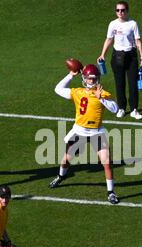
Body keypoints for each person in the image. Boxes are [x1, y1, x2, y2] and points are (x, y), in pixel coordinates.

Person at [50, 64, 120, 204]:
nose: (92, 81)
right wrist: (71, 75)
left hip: (97, 132)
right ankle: (60, 176)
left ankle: (111, 192)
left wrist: (101, 98)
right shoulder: (77, 92)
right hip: (79, 131)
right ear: (84, 78)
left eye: (94, 79)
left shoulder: (103, 93)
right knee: (66, 160)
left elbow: (115, 109)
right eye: (90, 79)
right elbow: (57, 89)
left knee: (106, 162)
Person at [98, 1, 142, 120]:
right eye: (118, 10)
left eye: (123, 10)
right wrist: (103, 54)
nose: (120, 12)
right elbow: (109, 39)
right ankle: (122, 108)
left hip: (131, 57)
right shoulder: (112, 24)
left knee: (133, 84)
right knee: (119, 84)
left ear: (127, 11)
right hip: (117, 56)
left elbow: (138, 41)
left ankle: (134, 109)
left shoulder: (133, 24)